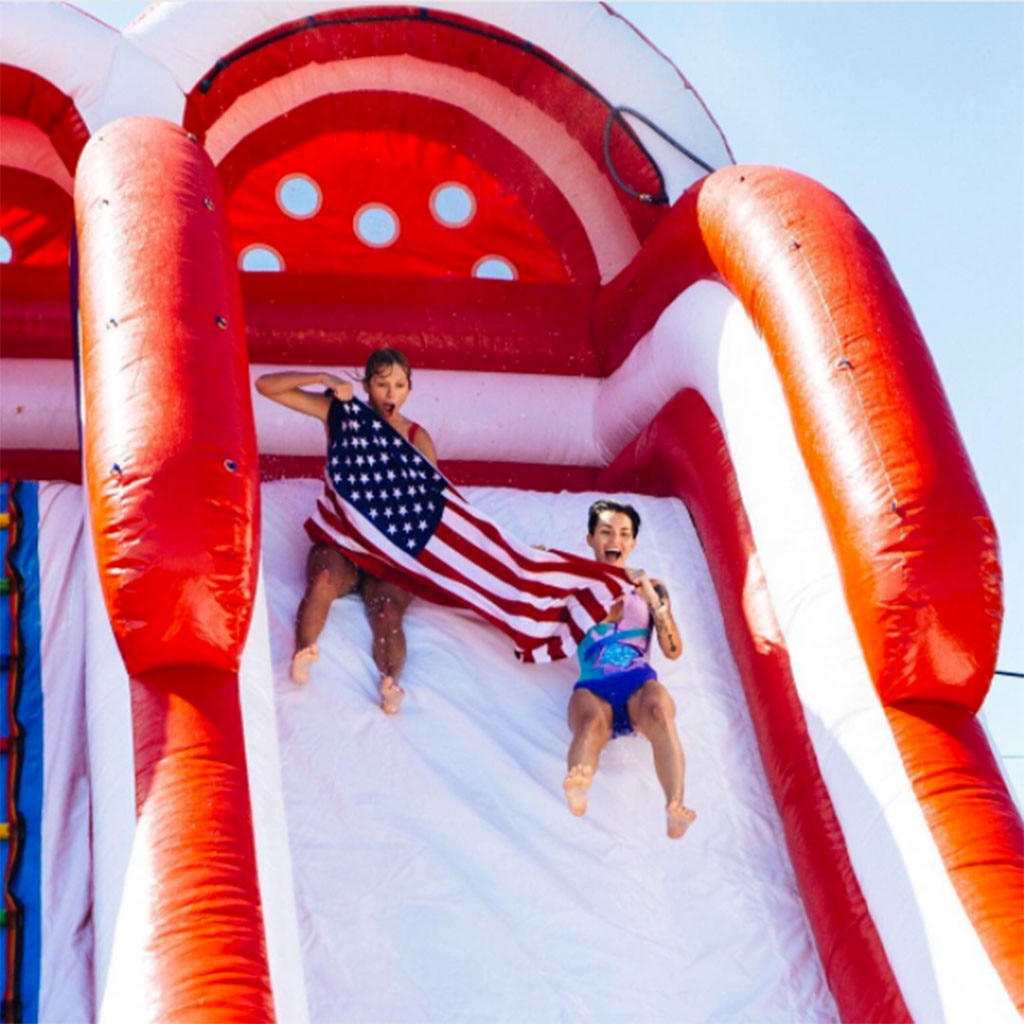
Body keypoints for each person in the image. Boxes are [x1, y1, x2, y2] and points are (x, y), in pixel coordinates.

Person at [254, 348, 437, 714]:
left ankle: (390, 683)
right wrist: (322, 378)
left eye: (399, 385)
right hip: (342, 542)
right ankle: (304, 651)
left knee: (386, 612)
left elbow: (437, 505)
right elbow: (265, 386)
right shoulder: (342, 415)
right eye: (382, 384)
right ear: (367, 385)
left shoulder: (417, 437)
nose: (390, 394)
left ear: (409, 390)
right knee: (322, 578)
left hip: (387, 551)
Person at [563, 499, 696, 839]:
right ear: (591, 539)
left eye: (624, 534)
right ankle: (579, 783)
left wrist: (653, 600)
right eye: (606, 532)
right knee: (592, 724)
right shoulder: (573, 587)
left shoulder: (652, 587)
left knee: (659, 710)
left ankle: (674, 805)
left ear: (633, 544)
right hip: (593, 684)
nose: (615, 540)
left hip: (638, 681)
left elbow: (673, 650)